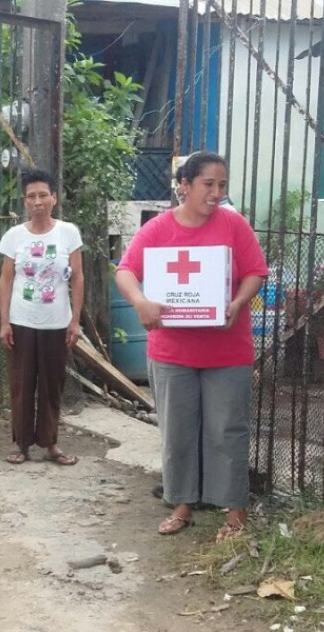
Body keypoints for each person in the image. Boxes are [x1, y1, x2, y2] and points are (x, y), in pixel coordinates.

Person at [115, 151, 269, 541]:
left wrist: (238, 302)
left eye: (221, 185)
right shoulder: (158, 230)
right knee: (177, 431)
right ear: (184, 186)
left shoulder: (234, 226)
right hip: (173, 352)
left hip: (226, 350)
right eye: (207, 184)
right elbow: (126, 271)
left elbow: (255, 271)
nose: (216, 193)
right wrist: (141, 302)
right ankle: (181, 504)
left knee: (227, 430)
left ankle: (234, 511)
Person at [0, 168, 84, 466]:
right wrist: (4, 322)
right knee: (21, 385)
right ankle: (21, 445)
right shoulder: (14, 237)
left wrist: (75, 321)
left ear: (54, 198)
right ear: (25, 201)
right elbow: (6, 280)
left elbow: (79, 277)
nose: (37, 202)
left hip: (56, 323)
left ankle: (50, 443)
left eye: (43, 195)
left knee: (51, 384)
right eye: (31, 196)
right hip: (22, 322)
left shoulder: (68, 233)